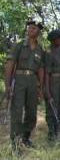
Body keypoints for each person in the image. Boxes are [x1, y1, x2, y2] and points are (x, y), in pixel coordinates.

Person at [5, 21, 45, 151]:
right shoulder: (19, 45)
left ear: (38, 32)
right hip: (20, 79)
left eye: (33, 28)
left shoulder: (40, 49)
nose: (30, 30)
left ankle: (26, 137)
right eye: (29, 28)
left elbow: (40, 69)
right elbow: (10, 65)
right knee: (17, 111)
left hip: (33, 81)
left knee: (32, 112)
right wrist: (8, 85)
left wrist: (41, 87)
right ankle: (15, 144)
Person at [44, 30, 60, 141]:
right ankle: (51, 132)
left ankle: (58, 129)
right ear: (54, 40)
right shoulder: (49, 52)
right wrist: (47, 89)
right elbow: (47, 73)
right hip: (52, 82)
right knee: (52, 106)